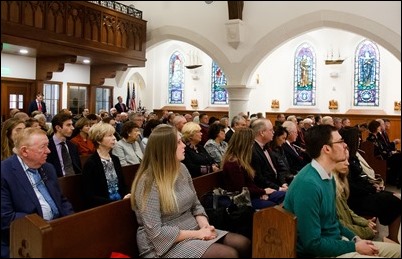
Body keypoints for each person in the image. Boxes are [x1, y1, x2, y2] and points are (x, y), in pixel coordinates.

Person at [130, 125, 251, 258]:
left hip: (192, 228)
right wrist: (198, 234)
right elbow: (155, 231)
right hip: (163, 244)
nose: (184, 146)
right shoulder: (148, 181)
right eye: (178, 142)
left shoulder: (181, 168)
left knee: (243, 243)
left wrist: (205, 226)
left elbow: (196, 205)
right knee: (228, 254)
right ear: (165, 148)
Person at [283, 124, 400, 257]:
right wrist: (354, 247)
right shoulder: (308, 185)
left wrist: (356, 239)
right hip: (322, 253)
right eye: (340, 141)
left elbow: (333, 222)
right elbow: (312, 244)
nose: (345, 145)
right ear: (326, 149)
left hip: (337, 242)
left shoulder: (328, 176)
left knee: (398, 251)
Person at [1, 128, 74, 258]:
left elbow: (61, 201)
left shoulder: (48, 168)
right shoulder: (4, 173)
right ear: (24, 151)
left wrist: (72, 223)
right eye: (43, 147)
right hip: (23, 240)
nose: (49, 151)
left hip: (56, 231)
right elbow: (6, 217)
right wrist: (43, 225)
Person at [340, 126, 401, 244]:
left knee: (395, 196)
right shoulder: (345, 158)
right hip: (356, 199)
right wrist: (372, 189)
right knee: (396, 202)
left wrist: (373, 186)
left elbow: (360, 178)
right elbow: (351, 185)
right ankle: (393, 238)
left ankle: (392, 237)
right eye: (357, 138)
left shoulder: (353, 156)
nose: (359, 140)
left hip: (364, 192)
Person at [222, 128, 283, 210]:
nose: (252, 145)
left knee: (283, 195)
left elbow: (250, 183)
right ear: (245, 144)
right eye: (251, 143)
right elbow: (241, 189)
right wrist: (262, 192)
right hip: (242, 200)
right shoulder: (233, 163)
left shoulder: (241, 160)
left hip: (252, 194)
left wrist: (261, 192)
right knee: (276, 202)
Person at [83, 122, 130, 208]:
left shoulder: (115, 159)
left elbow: (122, 184)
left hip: (120, 202)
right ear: (98, 140)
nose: (114, 138)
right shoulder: (91, 163)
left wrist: (126, 196)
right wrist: (114, 203)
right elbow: (89, 195)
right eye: (110, 135)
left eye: (113, 135)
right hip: (103, 206)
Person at [333, 150, 378, 240]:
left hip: (348, 236)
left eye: (347, 160)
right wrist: (366, 231)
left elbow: (347, 211)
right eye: (343, 160)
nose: (348, 163)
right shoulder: (332, 187)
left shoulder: (340, 182)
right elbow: (340, 224)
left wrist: (365, 222)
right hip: (342, 239)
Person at [46, 113, 82, 177]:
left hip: (75, 181)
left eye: (72, 125)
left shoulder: (73, 146)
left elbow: (78, 169)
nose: (73, 128)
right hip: (57, 182)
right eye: (68, 125)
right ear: (58, 128)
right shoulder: (47, 146)